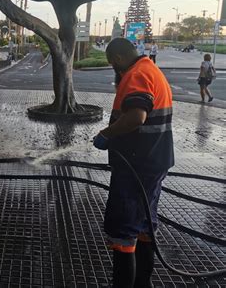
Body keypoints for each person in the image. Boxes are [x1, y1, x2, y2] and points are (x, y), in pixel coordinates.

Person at [93, 38, 174, 288]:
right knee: (144, 223)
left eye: (112, 65)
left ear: (118, 59)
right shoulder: (151, 70)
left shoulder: (135, 74)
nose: (115, 71)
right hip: (153, 161)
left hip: (136, 167)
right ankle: (142, 283)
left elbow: (137, 116)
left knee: (123, 229)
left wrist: (107, 133)